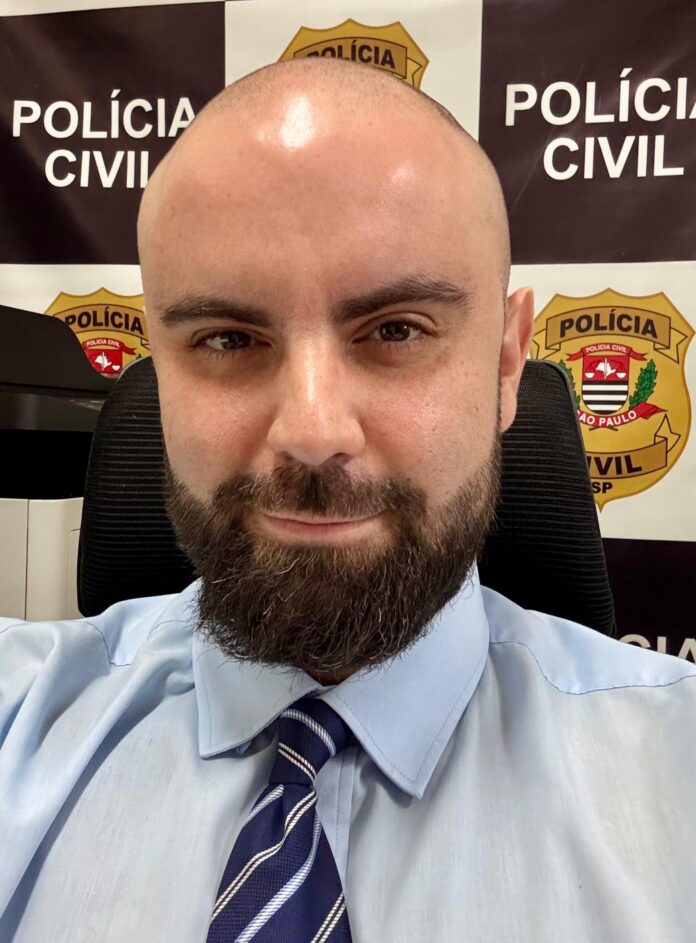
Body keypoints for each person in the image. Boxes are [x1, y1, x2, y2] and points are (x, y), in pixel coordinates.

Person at [1, 59, 695, 943]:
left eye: (396, 330)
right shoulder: (19, 720)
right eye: (227, 339)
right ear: (160, 365)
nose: (313, 429)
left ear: (505, 361)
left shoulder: (675, 769)